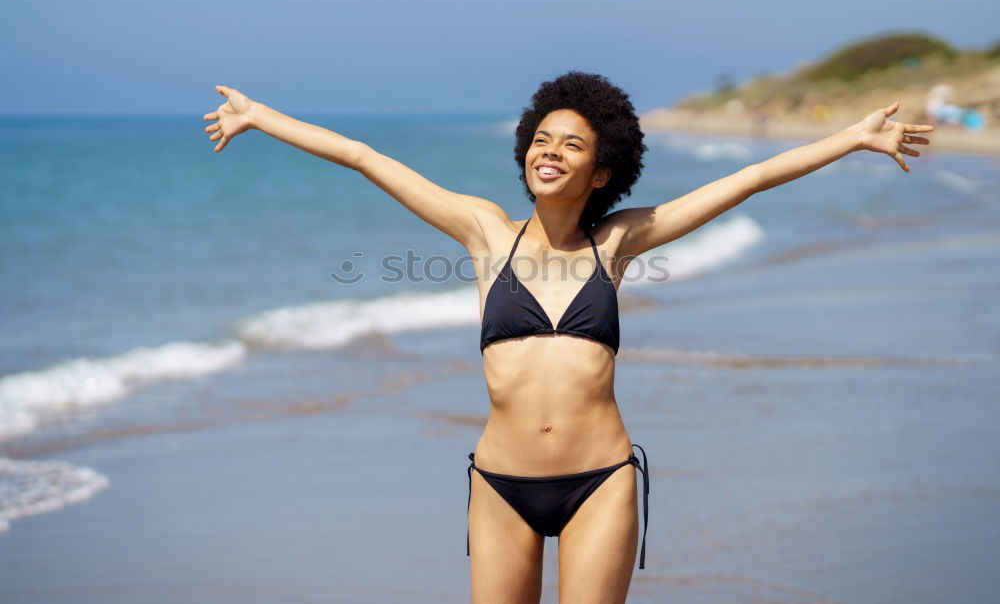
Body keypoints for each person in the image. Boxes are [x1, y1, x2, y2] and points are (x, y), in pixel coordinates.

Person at [203, 73, 933, 603]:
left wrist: (853, 137)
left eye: (571, 145)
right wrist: (262, 116)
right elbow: (365, 157)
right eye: (541, 140)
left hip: (600, 482)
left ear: (601, 168)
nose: (549, 151)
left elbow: (747, 179)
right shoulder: (484, 231)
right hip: (499, 485)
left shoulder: (617, 242)